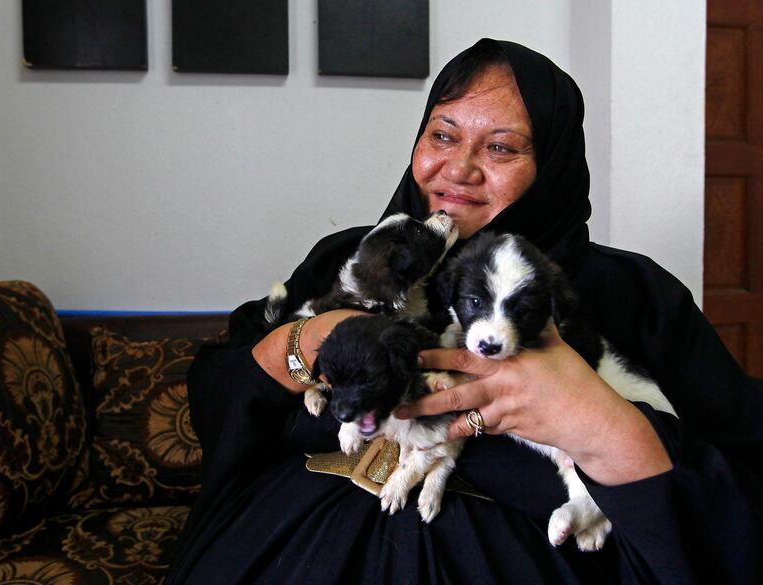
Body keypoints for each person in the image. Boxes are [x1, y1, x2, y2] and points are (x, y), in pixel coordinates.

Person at [165, 39, 763, 584]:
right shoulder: (350, 260)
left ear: (551, 166)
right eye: (443, 136)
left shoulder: (633, 292)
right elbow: (222, 390)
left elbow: (738, 485)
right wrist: (300, 347)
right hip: (284, 546)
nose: (458, 169)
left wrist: (603, 423)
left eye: (501, 148)